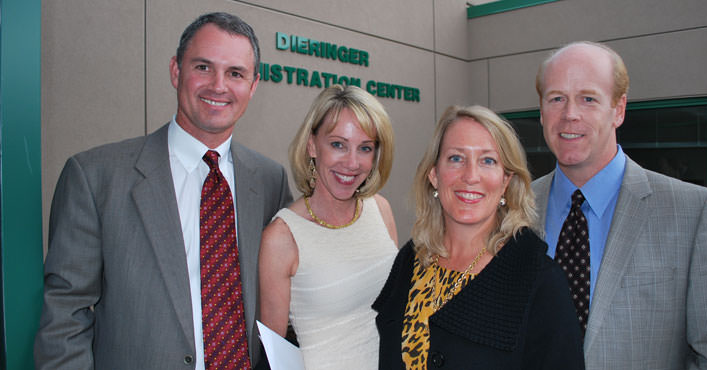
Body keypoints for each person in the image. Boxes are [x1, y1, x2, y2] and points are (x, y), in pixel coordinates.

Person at [34, 12, 292, 370]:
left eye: (235, 73)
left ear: (253, 85)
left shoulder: (270, 180)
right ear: (176, 70)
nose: (219, 85)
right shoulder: (96, 176)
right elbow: (65, 317)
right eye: (203, 67)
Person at [532, 41, 707, 369]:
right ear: (542, 111)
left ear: (619, 109)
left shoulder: (695, 212)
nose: (570, 114)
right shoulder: (513, 210)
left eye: (588, 98)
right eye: (557, 98)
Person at [372, 105, 584, 369]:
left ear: (506, 180)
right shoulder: (410, 260)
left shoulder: (540, 281)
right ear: (434, 175)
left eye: (488, 161)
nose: (471, 176)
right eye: (456, 158)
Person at [259, 84, 398, 369]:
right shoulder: (282, 236)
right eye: (338, 144)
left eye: (365, 148)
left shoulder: (380, 209)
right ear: (312, 145)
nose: (351, 163)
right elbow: (275, 354)